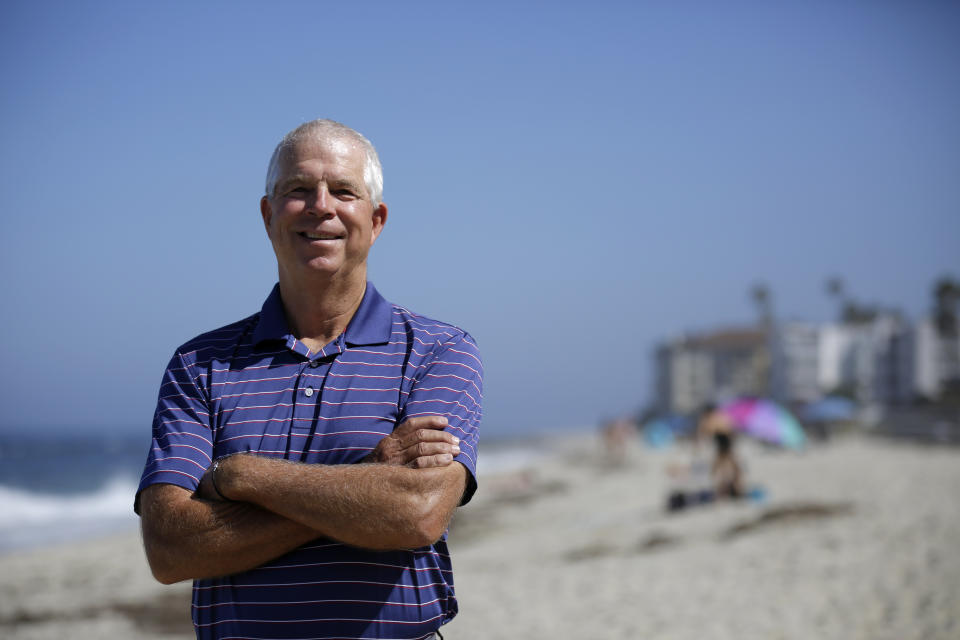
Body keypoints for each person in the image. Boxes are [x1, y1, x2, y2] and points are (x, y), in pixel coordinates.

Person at [135, 119, 482, 640]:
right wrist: (370, 477)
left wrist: (242, 477)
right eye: (299, 190)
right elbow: (168, 548)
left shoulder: (439, 352)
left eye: (344, 191)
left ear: (377, 218)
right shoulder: (199, 364)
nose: (322, 206)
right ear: (268, 214)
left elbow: (417, 512)